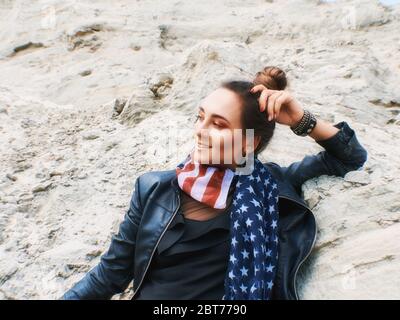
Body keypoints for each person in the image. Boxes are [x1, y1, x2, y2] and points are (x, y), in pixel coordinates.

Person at [61, 66, 368, 300]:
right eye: (200, 117)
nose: (200, 131)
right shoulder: (154, 188)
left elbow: (349, 157)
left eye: (218, 124)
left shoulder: (271, 188)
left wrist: (302, 119)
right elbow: (110, 275)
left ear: (249, 142)